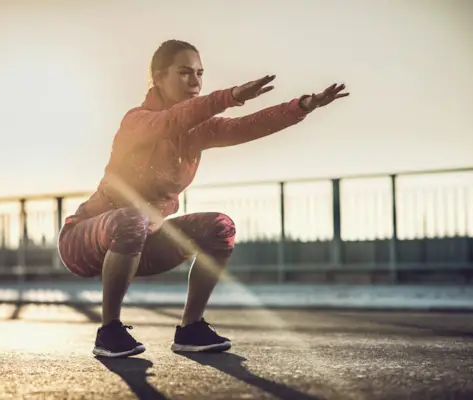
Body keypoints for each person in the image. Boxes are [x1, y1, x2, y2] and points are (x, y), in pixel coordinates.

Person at [57, 39, 349, 358]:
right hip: (83, 241)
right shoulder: (137, 122)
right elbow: (171, 121)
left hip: (141, 242)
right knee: (133, 218)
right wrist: (230, 96)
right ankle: (109, 331)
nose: (195, 81)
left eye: (200, 73)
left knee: (221, 227)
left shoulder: (198, 133)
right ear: (158, 77)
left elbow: (247, 126)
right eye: (184, 73)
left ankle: (190, 328)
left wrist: (301, 106)